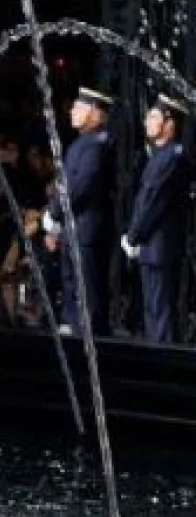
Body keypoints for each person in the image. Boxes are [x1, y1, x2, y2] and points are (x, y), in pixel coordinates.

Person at [44, 86, 116, 334]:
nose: (72, 111)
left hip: (87, 228)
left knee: (87, 288)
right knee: (74, 284)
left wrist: (54, 212)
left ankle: (88, 335)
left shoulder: (96, 144)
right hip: (75, 227)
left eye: (79, 107)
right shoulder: (82, 143)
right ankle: (75, 327)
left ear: (95, 112)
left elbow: (81, 186)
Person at [122, 92, 190, 343]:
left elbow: (152, 202)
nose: (146, 122)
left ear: (169, 122)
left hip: (160, 246)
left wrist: (133, 236)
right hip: (153, 247)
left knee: (161, 316)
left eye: (153, 116)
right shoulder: (161, 156)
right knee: (154, 312)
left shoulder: (172, 156)